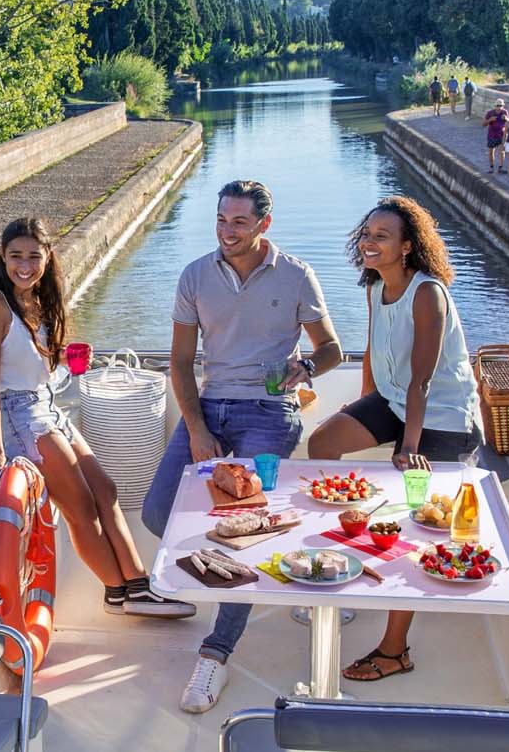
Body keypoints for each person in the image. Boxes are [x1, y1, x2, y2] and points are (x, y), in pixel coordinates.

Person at [140, 180, 346, 714]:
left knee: (245, 533)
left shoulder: (296, 274)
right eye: (221, 219)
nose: (227, 231)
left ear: (262, 226)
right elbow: (181, 363)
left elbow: (332, 351)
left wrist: (305, 367)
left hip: (270, 413)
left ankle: (215, 654)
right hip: (208, 409)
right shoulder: (195, 275)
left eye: (238, 222)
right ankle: (237, 575)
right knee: (158, 513)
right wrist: (196, 428)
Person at [0, 217, 196, 619]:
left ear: (48, 257)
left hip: (47, 404)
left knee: (105, 491)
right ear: (2, 258)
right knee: (80, 508)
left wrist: (67, 362)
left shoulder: (39, 300)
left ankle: (138, 586)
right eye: (15, 256)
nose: (25, 265)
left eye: (33, 256)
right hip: (21, 415)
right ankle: (117, 590)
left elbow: (35, 366)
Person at [306, 195, 483, 684]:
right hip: (394, 401)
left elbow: (422, 382)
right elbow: (372, 355)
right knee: (323, 443)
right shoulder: (375, 287)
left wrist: (407, 448)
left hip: (442, 417)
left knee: (410, 527)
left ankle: (393, 650)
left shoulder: (428, 294)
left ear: (407, 246)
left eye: (381, 236)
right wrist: (359, 409)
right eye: (366, 234)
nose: (368, 242)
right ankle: (340, 552)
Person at [482, 99, 508, 173]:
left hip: (501, 135)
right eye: (497, 106)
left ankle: (500, 168)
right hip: (492, 135)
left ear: (503, 106)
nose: (499, 107)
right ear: (495, 106)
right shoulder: (490, 113)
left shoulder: (505, 112)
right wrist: (490, 120)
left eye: (501, 106)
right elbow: (483, 124)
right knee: (491, 152)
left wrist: (506, 119)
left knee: (502, 152)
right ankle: (491, 167)